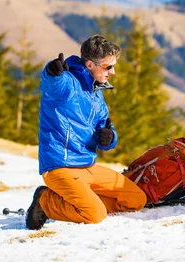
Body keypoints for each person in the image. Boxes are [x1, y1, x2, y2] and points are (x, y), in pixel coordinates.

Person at [26, 35, 147, 230]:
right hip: (61, 167)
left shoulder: (96, 94)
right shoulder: (67, 83)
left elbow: (106, 128)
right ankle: (45, 201)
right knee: (95, 214)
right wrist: (51, 70)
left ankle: (84, 200)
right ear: (90, 65)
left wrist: (109, 138)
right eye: (108, 67)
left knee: (136, 199)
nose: (112, 72)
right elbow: (51, 84)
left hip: (87, 166)